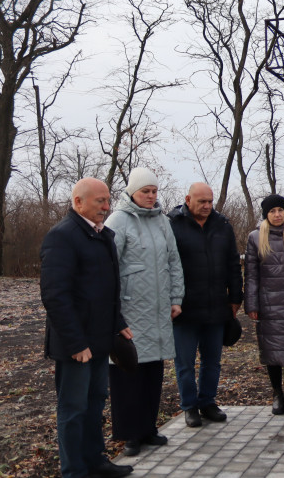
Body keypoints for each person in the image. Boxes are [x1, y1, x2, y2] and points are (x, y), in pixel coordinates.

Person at [40, 178, 134, 478]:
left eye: (108, 200)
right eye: (99, 201)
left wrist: (118, 323)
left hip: (100, 339)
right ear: (78, 202)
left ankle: (96, 462)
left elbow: (107, 289)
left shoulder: (103, 235)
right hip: (76, 346)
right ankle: (74, 471)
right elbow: (55, 296)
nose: (106, 206)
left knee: (95, 403)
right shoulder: (62, 237)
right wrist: (76, 343)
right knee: (73, 409)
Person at [104, 168, 185, 456]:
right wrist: (115, 312)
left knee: (152, 371)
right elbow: (109, 267)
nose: (151, 196)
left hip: (158, 309)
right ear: (132, 192)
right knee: (128, 371)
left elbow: (173, 262)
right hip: (130, 310)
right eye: (145, 191)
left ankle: (148, 428)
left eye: (154, 191)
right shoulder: (118, 220)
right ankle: (130, 434)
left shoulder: (163, 221)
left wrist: (176, 298)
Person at [168, 182, 243, 427]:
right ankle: (189, 406)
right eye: (202, 202)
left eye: (210, 201)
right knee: (185, 363)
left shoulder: (222, 225)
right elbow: (166, 266)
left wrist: (236, 297)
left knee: (212, 361)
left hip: (216, 306)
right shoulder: (172, 225)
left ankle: (207, 402)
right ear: (188, 199)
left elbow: (233, 263)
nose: (207, 206)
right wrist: (170, 301)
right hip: (184, 308)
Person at [244, 195, 284, 416]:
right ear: (266, 214)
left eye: (280, 210)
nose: (277, 214)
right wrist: (252, 304)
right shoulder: (255, 238)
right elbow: (251, 275)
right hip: (269, 305)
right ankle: (276, 394)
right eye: (272, 211)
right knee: (272, 349)